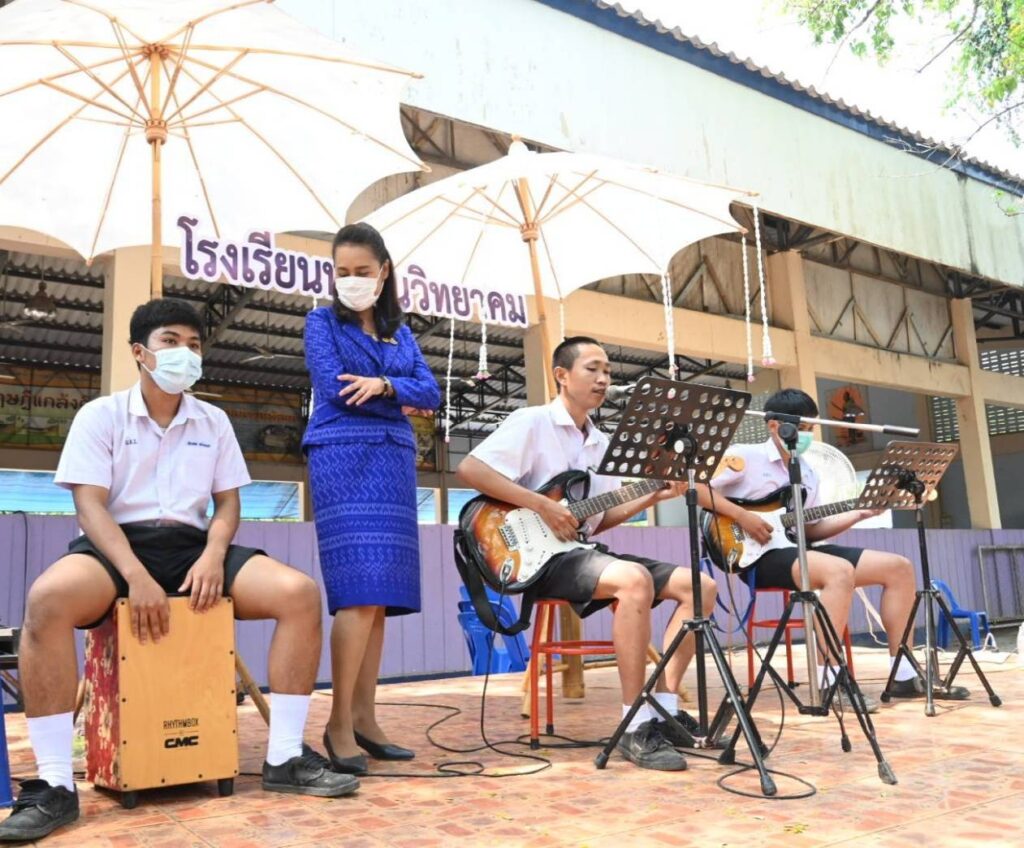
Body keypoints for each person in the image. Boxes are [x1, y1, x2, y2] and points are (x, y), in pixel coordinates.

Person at [0, 299, 356, 844]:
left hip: (193, 546)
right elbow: (90, 506)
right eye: (171, 341)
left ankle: (285, 758)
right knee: (47, 599)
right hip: (118, 546)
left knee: (299, 594)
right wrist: (135, 574)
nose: (184, 353)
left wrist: (214, 553)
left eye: (193, 345)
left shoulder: (213, 421)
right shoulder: (100, 416)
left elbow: (228, 504)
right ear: (139, 352)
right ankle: (54, 785)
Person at [456, 336, 716, 772]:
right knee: (633, 580)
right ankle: (634, 723)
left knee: (701, 587)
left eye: (608, 372)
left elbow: (597, 520)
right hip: (536, 557)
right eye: (592, 369)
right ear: (562, 375)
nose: (603, 379)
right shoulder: (532, 421)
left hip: (577, 549)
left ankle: (664, 709)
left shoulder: (600, 442)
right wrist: (542, 505)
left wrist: (653, 494)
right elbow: (470, 469)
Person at [702, 387, 967, 704]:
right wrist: (742, 516)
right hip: (754, 556)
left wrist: (860, 513)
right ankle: (830, 680)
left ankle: (904, 675)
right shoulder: (745, 456)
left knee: (899, 567)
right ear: (773, 426)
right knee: (839, 571)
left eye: (811, 428)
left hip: (796, 547)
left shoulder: (808, 472)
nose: (807, 435)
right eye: (801, 428)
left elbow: (811, 530)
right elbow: (696, 487)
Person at [303, 222, 441, 775]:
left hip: (393, 459)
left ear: (384, 272)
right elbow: (333, 387)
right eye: (342, 272)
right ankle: (338, 722)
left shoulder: (400, 333)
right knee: (357, 592)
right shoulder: (321, 322)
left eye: (362, 271)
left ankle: (365, 716)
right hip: (341, 455)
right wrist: (397, 393)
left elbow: (431, 393)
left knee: (379, 598)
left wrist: (383, 387)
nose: (351, 280)